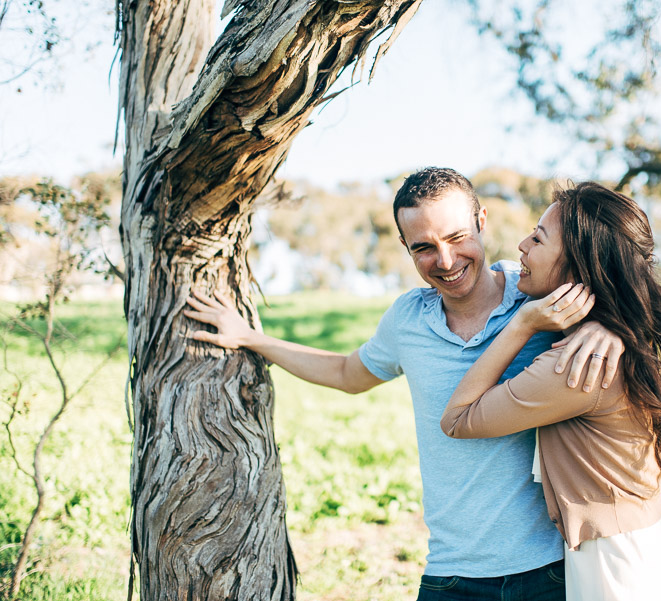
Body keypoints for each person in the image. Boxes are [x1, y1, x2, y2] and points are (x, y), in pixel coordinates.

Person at [184, 168, 625, 600]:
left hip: (551, 568)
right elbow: (346, 374)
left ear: (482, 221)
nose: (446, 261)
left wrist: (612, 329)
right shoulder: (407, 320)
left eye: (456, 238)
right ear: (404, 247)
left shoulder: (544, 295)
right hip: (452, 575)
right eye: (424, 248)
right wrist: (249, 338)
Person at [441, 182, 661, 601]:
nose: (522, 246)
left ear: (579, 266)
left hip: (616, 570)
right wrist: (611, 326)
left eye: (538, 238)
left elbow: (457, 419)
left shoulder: (576, 368)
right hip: (654, 548)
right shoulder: (633, 333)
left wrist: (522, 325)